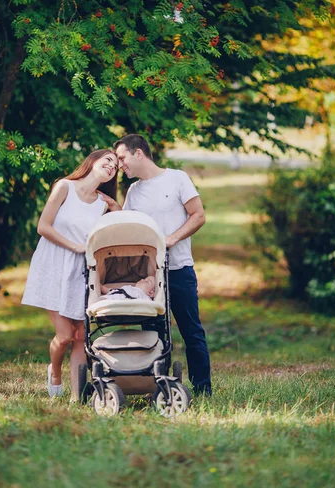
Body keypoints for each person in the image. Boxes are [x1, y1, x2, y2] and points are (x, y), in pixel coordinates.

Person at [101, 134, 212, 396]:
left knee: (191, 331)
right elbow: (130, 229)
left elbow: (199, 215)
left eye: (122, 158)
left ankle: (202, 389)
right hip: (148, 277)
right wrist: (116, 208)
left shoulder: (177, 178)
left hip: (178, 269)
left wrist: (172, 238)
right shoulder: (134, 191)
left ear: (139, 153)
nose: (119, 165)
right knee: (152, 334)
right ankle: (156, 387)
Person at [21, 149, 118, 400]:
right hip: (53, 263)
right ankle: (54, 370)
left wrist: (116, 208)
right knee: (64, 336)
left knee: (80, 337)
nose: (111, 166)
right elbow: (43, 227)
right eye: (107, 160)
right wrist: (75, 246)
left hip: (81, 271)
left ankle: (76, 396)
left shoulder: (102, 204)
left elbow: (115, 236)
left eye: (116, 166)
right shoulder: (64, 186)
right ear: (93, 161)